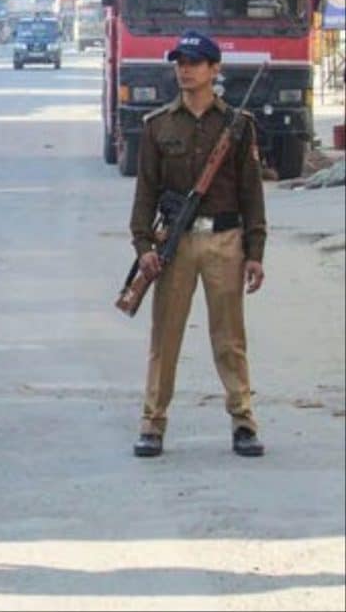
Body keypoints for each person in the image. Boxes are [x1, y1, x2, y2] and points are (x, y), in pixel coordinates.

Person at [130, 30, 267, 458]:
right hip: (175, 243)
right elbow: (145, 193)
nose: (184, 69)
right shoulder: (158, 126)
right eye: (179, 62)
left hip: (225, 241)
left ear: (214, 69)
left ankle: (243, 422)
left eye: (193, 62)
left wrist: (255, 253)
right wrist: (142, 248)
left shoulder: (238, 127)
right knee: (164, 338)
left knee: (229, 339)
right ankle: (152, 425)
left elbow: (252, 195)